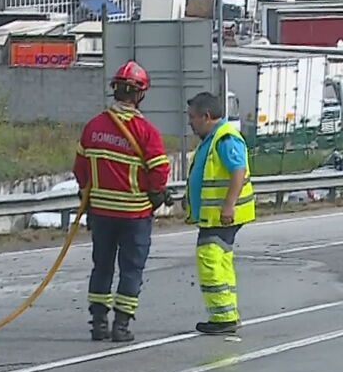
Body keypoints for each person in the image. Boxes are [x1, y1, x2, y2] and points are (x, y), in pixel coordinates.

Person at [74, 60, 171, 342]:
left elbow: (80, 169)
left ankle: (98, 324)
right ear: (140, 95)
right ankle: (121, 326)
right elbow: (159, 171)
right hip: (134, 215)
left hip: (101, 213)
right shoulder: (146, 131)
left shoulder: (93, 127)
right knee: (131, 269)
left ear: (115, 90)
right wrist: (156, 194)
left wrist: (89, 196)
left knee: (102, 266)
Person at [185, 91, 256, 334]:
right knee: (221, 260)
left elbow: (238, 171)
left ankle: (223, 317)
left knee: (210, 259)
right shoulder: (212, 138)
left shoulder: (225, 138)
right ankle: (227, 314)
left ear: (206, 116)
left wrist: (229, 205)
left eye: (192, 117)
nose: (190, 123)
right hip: (214, 215)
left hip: (221, 215)